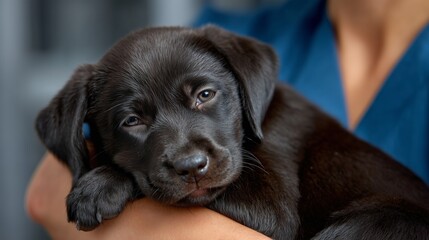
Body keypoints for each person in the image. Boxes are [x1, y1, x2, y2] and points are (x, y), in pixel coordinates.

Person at [26, 0, 429, 239]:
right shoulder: (225, 36)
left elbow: (273, 219)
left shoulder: (231, 64)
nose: (188, 156)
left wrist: (130, 184)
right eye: (133, 120)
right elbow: (47, 193)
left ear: (244, 91)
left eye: (203, 96)